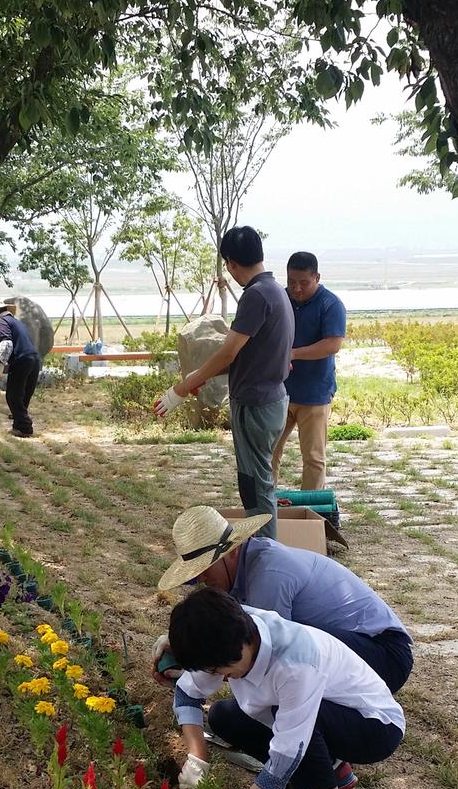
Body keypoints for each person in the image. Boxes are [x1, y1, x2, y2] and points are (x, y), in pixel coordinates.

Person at [167, 588, 405, 789]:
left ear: (241, 648)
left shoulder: (296, 664)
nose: (220, 678)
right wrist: (197, 758)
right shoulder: (229, 630)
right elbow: (187, 692)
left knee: (300, 727)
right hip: (319, 713)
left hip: (373, 726)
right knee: (223, 716)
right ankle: (330, 770)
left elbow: (284, 759)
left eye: (220, 671)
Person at [155, 505, 413, 694]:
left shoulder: (268, 575)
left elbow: (258, 658)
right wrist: (181, 647)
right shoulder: (244, 569)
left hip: (383, 655)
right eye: (193, 577)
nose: (199, 580)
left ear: (229, 554)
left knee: (279, 664)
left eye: (203, 570)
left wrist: (194, 667)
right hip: (361, 649)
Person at [154, 225, 293, 539]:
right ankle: (263, 549)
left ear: (230, 263)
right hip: (271, 398)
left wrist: (184, 386)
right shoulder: (276, 292)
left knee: (255, 486)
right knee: (258, 483)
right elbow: (249, 355)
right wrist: (200, 378)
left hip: (256, 405)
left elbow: (229, 352)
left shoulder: (256, 296)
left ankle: (265, 557)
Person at [272, 251, 347, 491]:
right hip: (278, 392)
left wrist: (293, 353)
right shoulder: (279, 299)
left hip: (314, 394)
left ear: (317, 277)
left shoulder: (331, 304)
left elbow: (332, 344)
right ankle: (265, 509)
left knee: (313, 458)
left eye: (303, 283)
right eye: (291, 282)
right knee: (268, 452)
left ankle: (312, 514)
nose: (296, 288)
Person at [0, 295, 42, 438]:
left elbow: (7, 343)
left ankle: (25, 427)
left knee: (13, 396)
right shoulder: (15, 322)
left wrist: (0, 364)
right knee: (23, 395)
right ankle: (18, 426)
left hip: (22, 360)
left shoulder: (1, 321)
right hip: (34, 359)